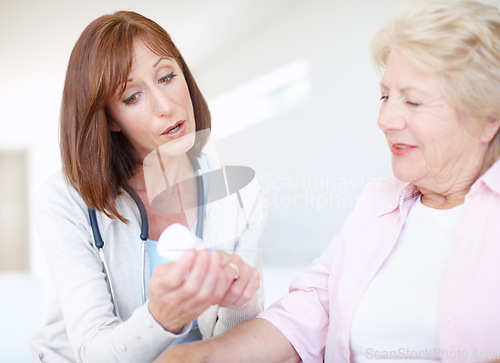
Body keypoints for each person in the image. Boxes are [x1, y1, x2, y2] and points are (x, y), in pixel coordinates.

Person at [156, 0, 500, 362]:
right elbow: (307, 314)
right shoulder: (378, 204)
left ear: (488, 119)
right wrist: (203, 357)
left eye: (413, 102)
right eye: (385, 96)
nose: (385, 119)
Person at [31, 10, 265, 362]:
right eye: (132, 97)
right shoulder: (64, 199)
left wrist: (240, 297)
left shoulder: (240, 195)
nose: (166, 106)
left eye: (167, 77)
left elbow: (237, 342)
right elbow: (92, 352)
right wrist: (161, 319)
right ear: (109, 119)